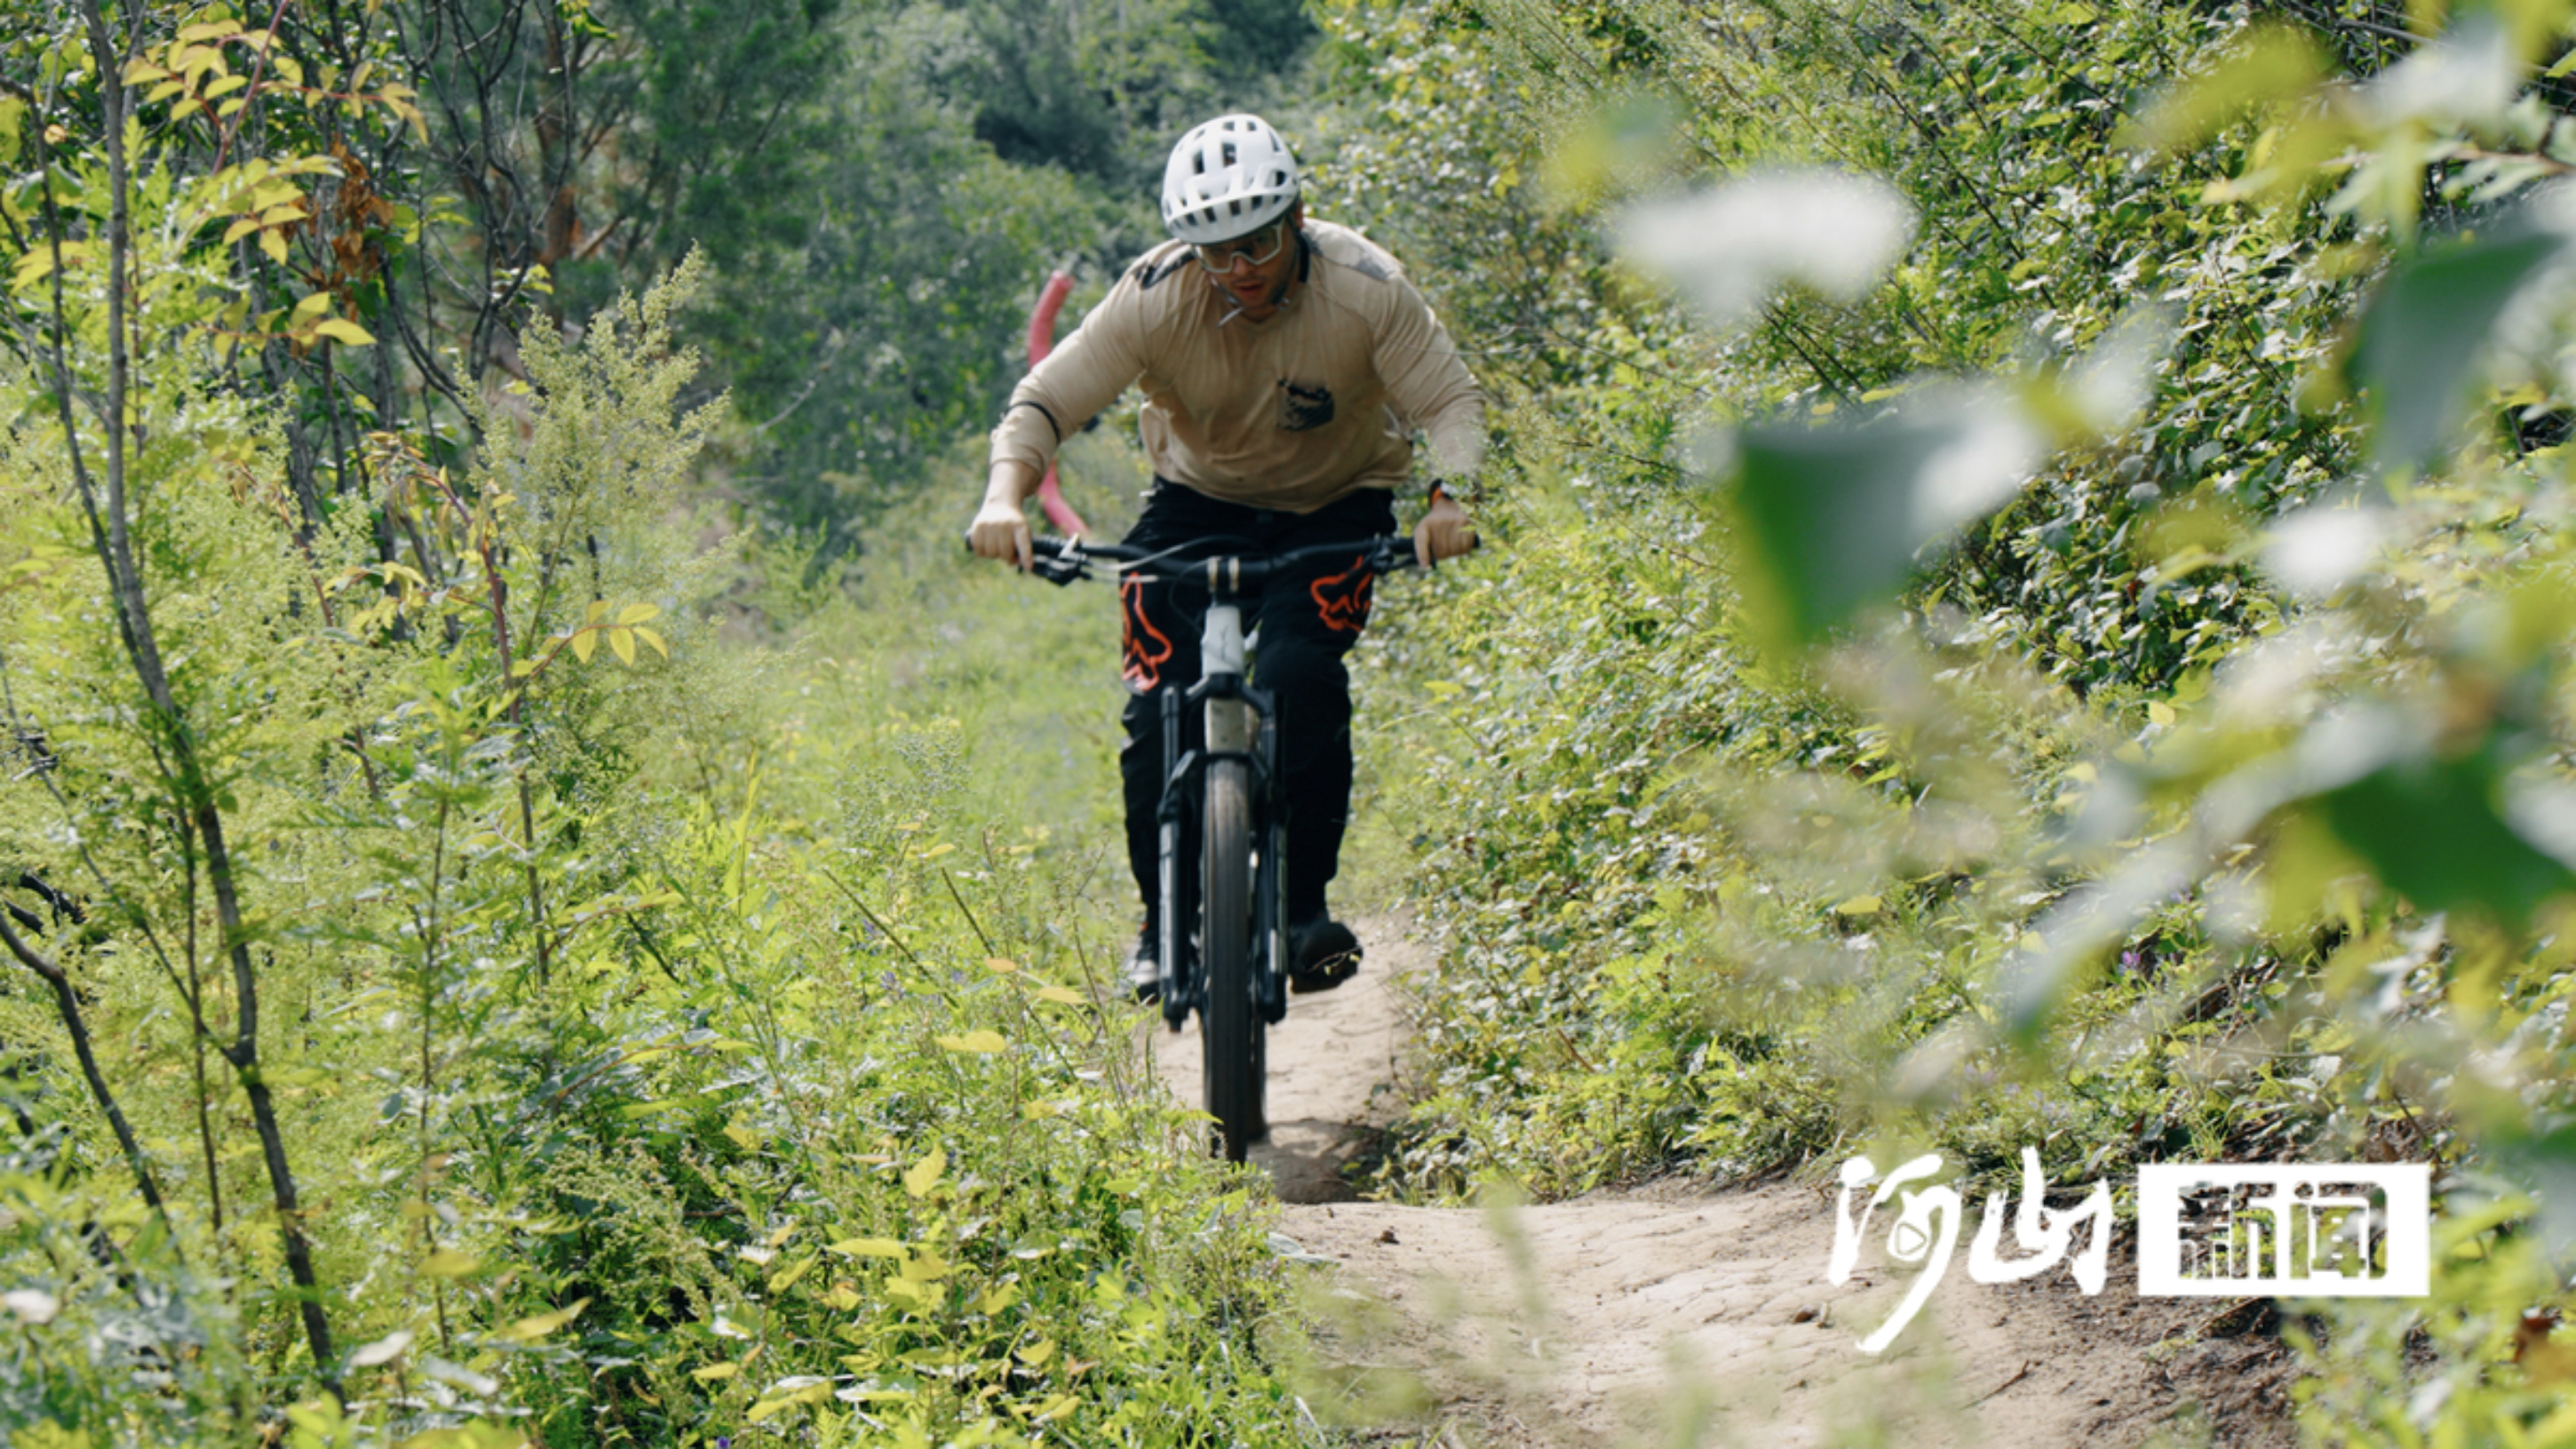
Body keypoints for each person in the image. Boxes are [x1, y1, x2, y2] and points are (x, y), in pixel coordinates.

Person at [968, 112, 1483, 1001]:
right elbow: (1046, 400)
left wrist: (1448, 499)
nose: (1239, 268)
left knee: (1299, 674)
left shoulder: (1366, 287)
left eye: (1257, 243)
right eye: (1215, 252)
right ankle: (1160, 924)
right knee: (1152, 711)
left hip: (1334, 504)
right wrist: (1002, 498)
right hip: (1195, 503)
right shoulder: (1155, 295)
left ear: (1296, 219)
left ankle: (1302, 909)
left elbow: (1449, 404)